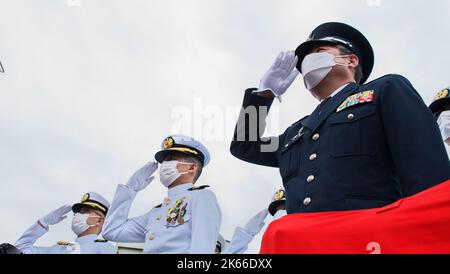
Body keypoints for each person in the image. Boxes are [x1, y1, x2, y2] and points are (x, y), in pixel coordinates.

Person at [230, 22, 450, 214]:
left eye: (319, 50)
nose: (308, 61)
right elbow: (245, 145)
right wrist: (263, 96)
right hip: (300, 243)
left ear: (351, 60)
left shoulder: (384, 91)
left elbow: (426, 168)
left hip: (367, 238)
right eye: (305, 58)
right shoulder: (295, 132)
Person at [103, 135, 222, 254]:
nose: (165, 164)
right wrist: (130, 189)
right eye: (164, 161)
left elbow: (201, 251)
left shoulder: (201, 197)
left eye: (171, 159)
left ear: (191, 167)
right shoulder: (156, 213)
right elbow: (112, 231)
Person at [15, 192, 115, 254]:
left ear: (99, 220)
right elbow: (18, 250)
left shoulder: (104, 247)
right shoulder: (59, 248)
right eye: (78, 212)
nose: (78, 215)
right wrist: (43, 223)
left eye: (84, 211)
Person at [219, 189, 285, 254]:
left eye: (285, 207)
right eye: (277, 211)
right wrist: (246, 233)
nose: (281, 213)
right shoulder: (269, 247)